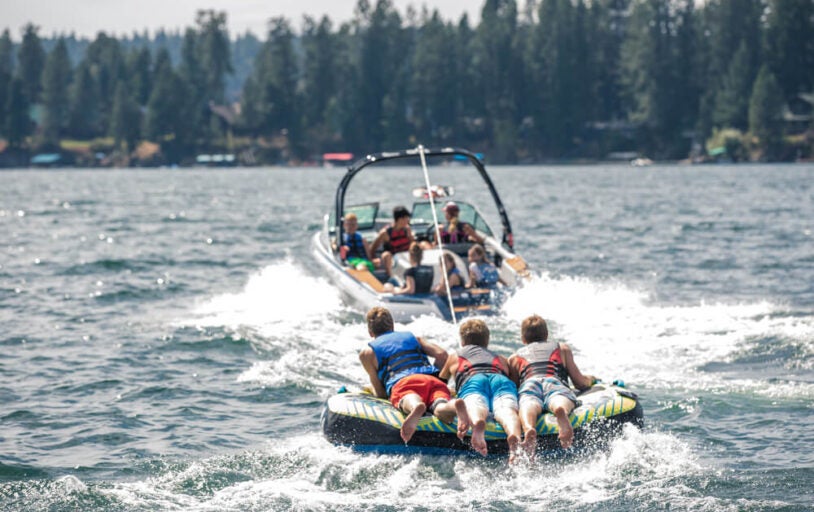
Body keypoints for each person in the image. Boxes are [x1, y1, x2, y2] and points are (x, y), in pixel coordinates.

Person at [359, 307, 471, 443]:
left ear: (370, 332)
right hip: (432, 380)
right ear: (392, 325)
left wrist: (372, 392)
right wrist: (439, 379)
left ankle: (416, 406)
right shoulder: (414, 338)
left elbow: (380, 392)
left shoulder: (367, 353)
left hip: (404, 383)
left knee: (408, 397)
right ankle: (453, 406)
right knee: (440, 406)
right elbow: (442, 355)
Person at [508, 315, 597, 455]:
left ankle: (529, 428)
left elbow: (513, 388)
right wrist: (591, 380)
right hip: (554, 381)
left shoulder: (514, 358)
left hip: (530, 383)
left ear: (523, 339)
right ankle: (560, 409)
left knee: (528, 403)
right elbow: (579, 382)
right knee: (559, 396)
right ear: (546, 334)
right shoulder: (562, 348)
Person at [439, 319, 523, 462]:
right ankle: (514, 436)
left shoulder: (455, 356)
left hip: (473, 379)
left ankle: (478, 422)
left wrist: (452, 392)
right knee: (507, 411)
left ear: (462, 341)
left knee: (476, 405)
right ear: (487, 340)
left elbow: (441, 384)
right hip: (500, 380)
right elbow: (515, 382)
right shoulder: (501, 358)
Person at [369, 206, 415, 277]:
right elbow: (373, 248)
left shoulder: (406, 229)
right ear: (399, 219)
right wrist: (373, 260)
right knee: (386, 255)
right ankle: (391, 277)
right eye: (406, 218)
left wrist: (411, 237)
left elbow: (413, 244)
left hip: (406, 255)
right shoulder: (385, 233)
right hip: (393, 258)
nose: (407, 221)